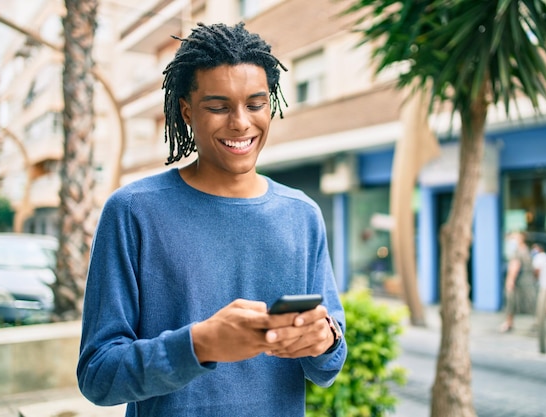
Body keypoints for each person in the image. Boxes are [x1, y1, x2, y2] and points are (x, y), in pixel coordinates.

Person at [77, 22, 347, 416]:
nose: (240, 123)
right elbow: (98, 376)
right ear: (187, 111)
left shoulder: (301, 214)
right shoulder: (133, 210)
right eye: (219, 107)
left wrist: (324, 340)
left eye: (256, 104)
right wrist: (198, 344)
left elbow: (328, 366)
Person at [500, 231, 537, 332]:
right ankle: (509, 322)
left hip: (521, 281)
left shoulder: (518, 252)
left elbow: (514, 267)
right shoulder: (526, 250)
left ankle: (509, 323)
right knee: (529, 301)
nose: (511, 240)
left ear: (521, 239)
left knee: (512, 301)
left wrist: (510, 281)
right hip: (527, 280)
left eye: (514, 238)